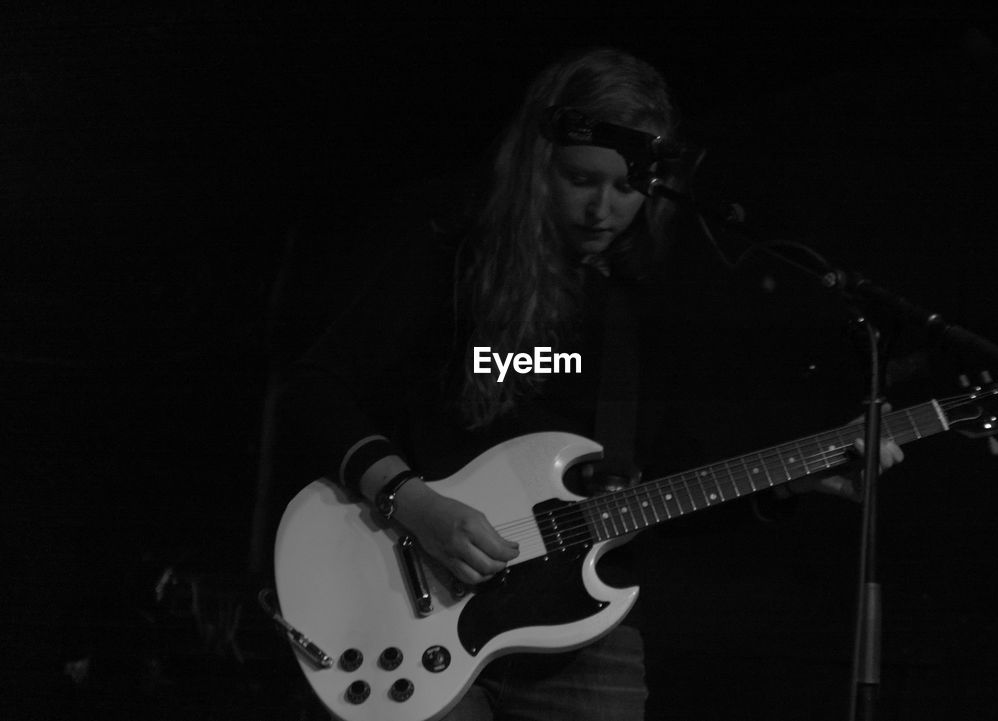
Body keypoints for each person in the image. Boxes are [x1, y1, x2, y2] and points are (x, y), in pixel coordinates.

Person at [279, 46, 902, 721]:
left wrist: (795, 479)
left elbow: (669, 482)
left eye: (628, 188)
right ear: (535, 165)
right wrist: (413, 501)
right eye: (580, 179)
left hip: (582, 637)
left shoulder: (643, 302)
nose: (603, 208)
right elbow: (314, 387)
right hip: (410, 605)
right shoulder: (450, 262)